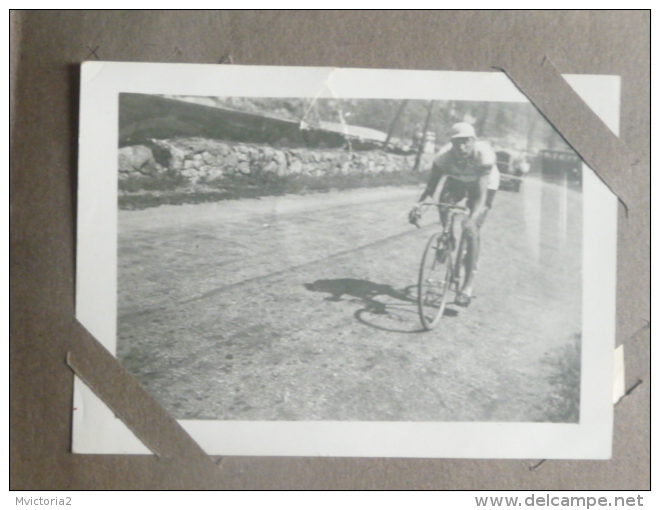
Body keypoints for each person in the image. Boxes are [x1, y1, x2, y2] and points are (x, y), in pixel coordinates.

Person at [409, 122, 500, 307]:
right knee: (444, 205)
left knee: (471, 229)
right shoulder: (444, 157)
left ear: (474, 141)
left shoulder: (484, 155)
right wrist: (419, 206)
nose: (461, 147)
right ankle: (448, 238)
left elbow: (481, 197)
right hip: (458, 181)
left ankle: (466, 287)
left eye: (466, 142)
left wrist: (472, 219)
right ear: (451, 143)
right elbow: (430, 189)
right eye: (457, 142)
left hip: (483, 186)